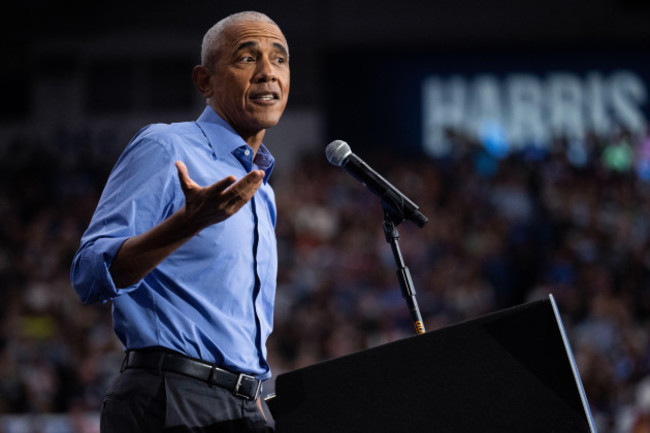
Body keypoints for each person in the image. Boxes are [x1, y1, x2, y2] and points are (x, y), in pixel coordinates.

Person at [70, 10, 290, 432]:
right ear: (205, 81)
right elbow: (88, 274)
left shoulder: (262, 190)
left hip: (243, 407)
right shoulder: (166, 145)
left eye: (279, 60)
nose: (267, 73)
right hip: (168, 400)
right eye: (247, 58)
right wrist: (187, 224)